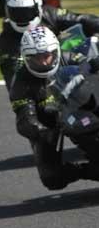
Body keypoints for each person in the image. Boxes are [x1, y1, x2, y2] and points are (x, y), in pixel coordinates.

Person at [10, 25, 99, 190]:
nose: (44, 62)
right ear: (26, 57)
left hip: (79, 106)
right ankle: (84, 171)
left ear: (56, 51)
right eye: (37, 58)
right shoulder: (21, 83)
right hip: (50, 123)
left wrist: (93, 63)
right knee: (52, 178)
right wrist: (40, 129)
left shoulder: (69, 57)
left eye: (47, 56)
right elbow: (24, 119)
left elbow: (88, 64)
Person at [0, 0, 99, 89]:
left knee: (84, 36)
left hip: (65, 64)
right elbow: (14, 82)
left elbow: (80, 19)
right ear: (8, 12)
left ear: (38, 8)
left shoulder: (49, 14)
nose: (22, 18)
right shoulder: (4, 43)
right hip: (43, 86)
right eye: (16, 13)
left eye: (27, 12)